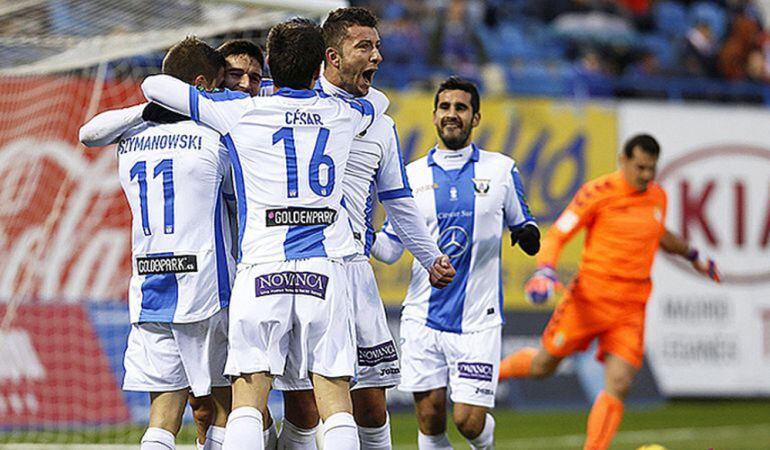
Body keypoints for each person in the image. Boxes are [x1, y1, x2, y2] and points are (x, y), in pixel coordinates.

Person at [141, 18, 392, 450]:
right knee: (333, 399)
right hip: (324, 271)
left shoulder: (241, 111)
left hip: (261, 272)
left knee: (247, 399)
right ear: (318, 67)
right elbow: (379, 102)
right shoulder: (347, 114)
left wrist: (212, 95)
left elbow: (154, 86)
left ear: (270, 65)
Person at [273, 8, 456, 450]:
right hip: (296, 266)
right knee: (303, 407)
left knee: (372, 404)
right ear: (332, 57)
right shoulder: (288, 107)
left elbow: (398, 200)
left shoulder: (380, 123)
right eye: (365, 46)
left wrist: (431, 257)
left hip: (353, 270)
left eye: (377, 46)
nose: (377, 55)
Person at [499, 134, 721, 450]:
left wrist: (694, 256)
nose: (645, 175)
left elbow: (658, 233)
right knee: (543, 366)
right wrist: (545, 270)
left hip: (631, 307)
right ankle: (494, 372)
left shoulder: (657, 197)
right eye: (640, 167)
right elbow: (559, 234)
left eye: (651, 169)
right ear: (623, 160)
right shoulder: (598, 192)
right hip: (589, 299)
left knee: (619, 383)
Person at [79, 37, 235, 450]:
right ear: (200, 85)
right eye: (218, 86)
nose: (220, 95)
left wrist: (146, 110)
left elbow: (88, 133)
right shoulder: (212, 139)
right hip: (205, 290)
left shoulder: (131, 137)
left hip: (150, 287)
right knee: (226, 409)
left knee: (162, 417)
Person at [371, 76, 540, 450]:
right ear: (433, 115)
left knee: (467, 421)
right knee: (430, 419)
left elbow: (523, 224)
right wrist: (360, 233)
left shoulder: (501, 171)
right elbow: (389, 249)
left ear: (475, 117)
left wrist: (529, 235)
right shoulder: (411, 176)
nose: (452, 115)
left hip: (478, 319)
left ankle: (486, 443)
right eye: (445, 107)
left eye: (460, 108)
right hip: (421, 316)